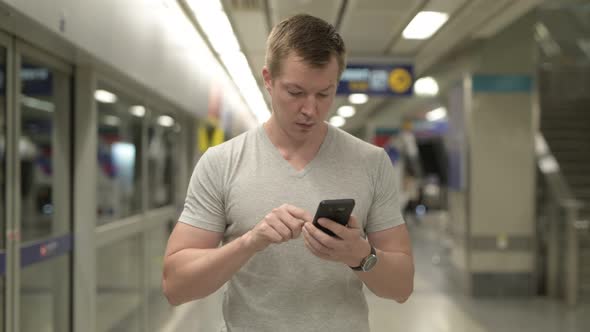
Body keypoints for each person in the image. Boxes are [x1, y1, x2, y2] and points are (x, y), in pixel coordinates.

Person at [162, 13, 414, 332]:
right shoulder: (221, 163)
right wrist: (250, 241)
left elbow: (402, 286)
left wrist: (360, 254)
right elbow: (175, 285)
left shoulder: (371, 162)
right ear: (268, 79)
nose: (310, 109)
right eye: (295, 92)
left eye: (324, 94)